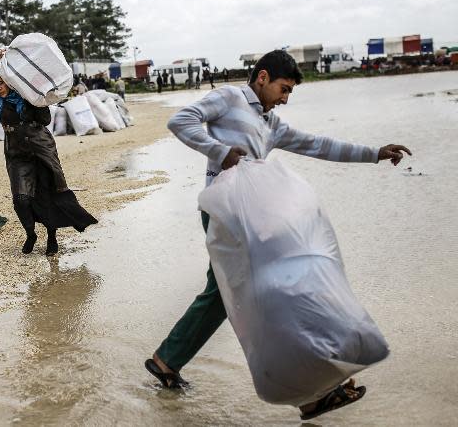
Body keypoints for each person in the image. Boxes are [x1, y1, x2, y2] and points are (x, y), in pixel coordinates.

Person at [144, 49, 411, 421]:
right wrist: (220, 152)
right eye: (284, 89)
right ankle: (313, 390)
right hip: (225, 212)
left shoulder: (272, 124)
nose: (285, 98)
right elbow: (181, 120)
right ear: (263, 77)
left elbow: (320, 145)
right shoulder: (230, 97)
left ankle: (168, 361)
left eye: (290, 93)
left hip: (254, 216)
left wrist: (375, 153)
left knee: (242, 293)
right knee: (274, 293)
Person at [0, 48, 97, 255]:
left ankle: (52, 237)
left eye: (1, 83)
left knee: (49, 194)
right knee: (21, 199)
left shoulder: (28, 95)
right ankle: (30, 234)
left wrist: (34, 102)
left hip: (41, 148)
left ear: (8, 82)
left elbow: (46, 120)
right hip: (16, 152)